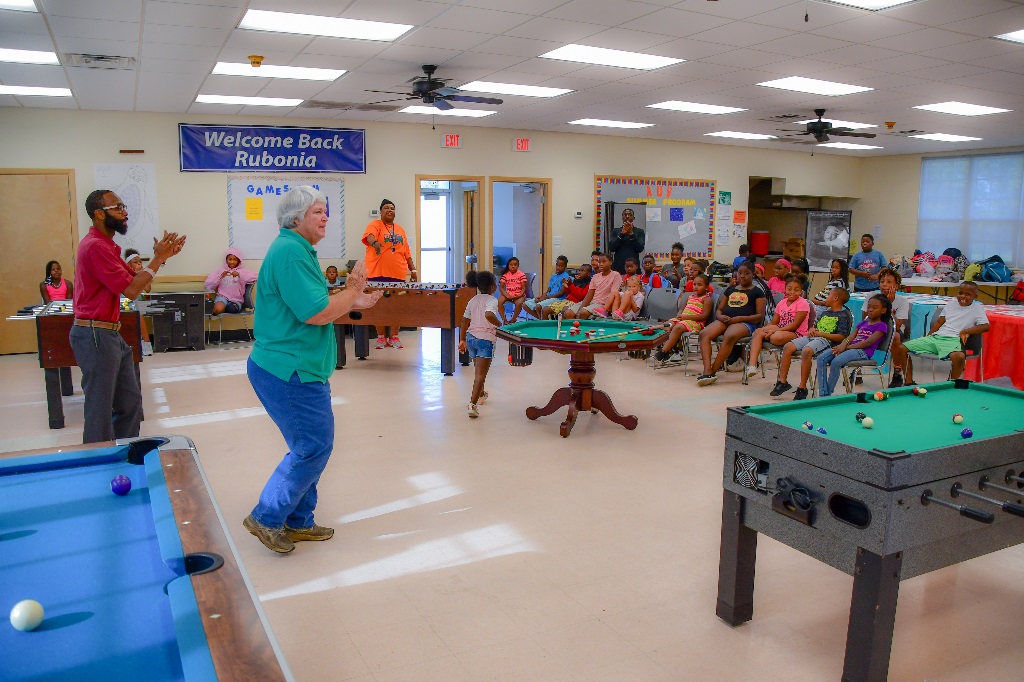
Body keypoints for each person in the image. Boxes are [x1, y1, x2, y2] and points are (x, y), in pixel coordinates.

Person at [244, 185, 382, 554]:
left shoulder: (297, 249)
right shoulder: (291, 252)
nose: (326, 218)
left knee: (307, 446)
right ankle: (267, 516)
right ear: (296, 218)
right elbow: (316, 313)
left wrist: (356, 300)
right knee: (313, 446)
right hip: (289, 371)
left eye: (325, 211)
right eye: (318, 211)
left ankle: (299, 520)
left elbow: (318, 306)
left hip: (295, 367)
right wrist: (351, 291)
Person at [71, 189, 186, 444]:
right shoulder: (95, 247)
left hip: (110, 333)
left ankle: (123, 453)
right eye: (118, 208)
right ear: (99, 214)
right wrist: (158, 259)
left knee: (130, 403)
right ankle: (98, 463)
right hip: (95, 334)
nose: (125, 213)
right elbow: (133, 290)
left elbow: (137, 281)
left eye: (124, 207)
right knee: (99, 409)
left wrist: (160, 259)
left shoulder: (108, 246)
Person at [894, 281, 989, 384]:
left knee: (959, 357)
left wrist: (965, 331)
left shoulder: (977, 308)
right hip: (937, 337)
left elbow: (985, 326)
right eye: (960, 293)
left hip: (954, 339)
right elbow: (939, 322)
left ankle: (950, 385)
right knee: (902, 348)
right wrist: (929, 335)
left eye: (968, 294)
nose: (963, 296)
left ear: (975, 296)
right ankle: (909, 382)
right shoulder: (951, 304)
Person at [771, 287, 853, 400]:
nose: (826, 298)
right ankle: (782, 381)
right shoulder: (825, 312)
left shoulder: (843, 315)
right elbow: (815, 327)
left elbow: (841, 337)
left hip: (826, 341)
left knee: (807, 350)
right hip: (814, 337)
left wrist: (822, 335)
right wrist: (812, 330)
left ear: (835, 298)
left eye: (828, 295)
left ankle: (802, 387)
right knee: (788, 346)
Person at [696, 262, 766, 386]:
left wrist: (739, 318)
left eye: (746, 273)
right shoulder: (730, 289)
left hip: (745, 323)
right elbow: (719, 309)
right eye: (740, 273)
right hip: (726, 320)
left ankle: (712, 372)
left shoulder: (757, 292)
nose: (742, 276)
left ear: (753, 275)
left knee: (730, 335)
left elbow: (760, 316)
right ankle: (707, 369)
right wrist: (719, 316)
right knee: (704, 334)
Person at [362, 199, 417, 349]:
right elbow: (369, 236)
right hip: (377, 273)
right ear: (380, 212)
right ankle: (381, 337)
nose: (389, 210)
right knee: (378, 306)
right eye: (386, 208)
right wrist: (375, 244)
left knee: (396, 306)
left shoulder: (400, 229)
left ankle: (394, 337)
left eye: (392, 208)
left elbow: (407, 252)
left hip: (398, 274)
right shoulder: (375, 225)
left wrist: (413, 270)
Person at [816, 294, 890, 398]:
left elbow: (867, 343)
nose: (870, 310)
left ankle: (826, 395)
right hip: (849, 348)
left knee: (836, 361)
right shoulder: (863, 323)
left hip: (862, 352)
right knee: (821, 358)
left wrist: (845, 348)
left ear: (883, 310)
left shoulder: (882, 326)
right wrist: (842, 344)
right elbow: (851, 337)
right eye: (869, 307)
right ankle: (823, 393)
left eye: (875, 307)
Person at [746, 274, 810, 379]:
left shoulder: (803, 304)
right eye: (789, 289)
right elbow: (774, 322)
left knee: (776, 337)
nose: (792, 292)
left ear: (801, 291)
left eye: (796, 290)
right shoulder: (782, 303)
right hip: (780, 329)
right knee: (758, 332)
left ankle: (766, 338)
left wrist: (773, 331)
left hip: (796, 333)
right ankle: (752, 366)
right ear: (785, 289)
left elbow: (794, 326)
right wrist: (767, 328)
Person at [459, 270, 501, 419]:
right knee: (480, 375)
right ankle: (472, 404)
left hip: (471, 339)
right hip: (485, 340)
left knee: (478, 370)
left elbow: (464, 321)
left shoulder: (473, 299)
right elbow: (489, 315)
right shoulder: (492, 300)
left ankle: (481, 393)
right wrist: (500, 324)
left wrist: (462, 339)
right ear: (491, 287)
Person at [653, 273, 713, 363]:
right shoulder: (691, 296)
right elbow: (682, 309)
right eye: (694, 284)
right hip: (683, 319)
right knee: (667, 324)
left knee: (678, 327)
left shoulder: (706, 299)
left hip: (695, 322)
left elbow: (704, 316)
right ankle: (672, 349)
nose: (696, 287)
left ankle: (663, 352)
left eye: (699, 285)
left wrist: (686, 317)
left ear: (706, 287)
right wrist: (680, 314)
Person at [869, 268, 910, 387]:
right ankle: (858, 368)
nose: (884, 284)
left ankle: (897, 373)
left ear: (896, 286)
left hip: (893, 332)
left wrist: (888, 304)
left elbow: (897, 327)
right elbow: (866, 319)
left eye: (889, 282)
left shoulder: (903, 302)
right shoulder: (872, 296)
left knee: (895, 336)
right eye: (882, 281)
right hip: (873, 329)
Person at [205, 248, 257, 315]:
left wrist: (239, 275)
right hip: (222, 298)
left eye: (235, 259)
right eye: (230, 259)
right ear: (226, 260)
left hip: (236, 300)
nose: (232, 262)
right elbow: (208, 286)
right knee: (218, 309)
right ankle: (219, 308)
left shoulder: (243, 271)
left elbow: (255, 277)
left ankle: (224, 308)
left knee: (231, 309)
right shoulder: (220, 271)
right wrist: (220, 277)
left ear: (238, 261)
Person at [569, 252, 622, 320]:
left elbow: (613, 294)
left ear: (611, 262)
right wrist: (580, 308)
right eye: (599, 262)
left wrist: (606, 309)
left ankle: (582, 330)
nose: (601, 264)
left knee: (583, 313)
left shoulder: (615, 275)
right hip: (592, 302)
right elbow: (589, 295)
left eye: (604, 262)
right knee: (568, 313)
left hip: (602, 304)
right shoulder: (595, 276)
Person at [608, 207, 646, 275]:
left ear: (633, 218)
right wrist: (622, 234)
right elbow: (611, 248)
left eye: (630, 215)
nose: (627, 216)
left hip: (634, 268)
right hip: (618, 268)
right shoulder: (615, 231)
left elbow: (640, 248)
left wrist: (631, 234)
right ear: (622, 217)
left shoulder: (639, 231)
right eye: (625, 215)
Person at [496, 256, 528, 324]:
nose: (513, 266)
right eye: (511, 264)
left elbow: (524, 288)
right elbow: (501, 287)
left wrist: (519, 295)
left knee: (519, 303)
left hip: (519, 294)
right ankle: (504, 320)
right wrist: (506, 295)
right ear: (508, 265)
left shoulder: (521, 275)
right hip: (508, 294)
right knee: (499, 301)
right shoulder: (505, 275)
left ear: (518, 266)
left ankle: (513, 319)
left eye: (515, 265)